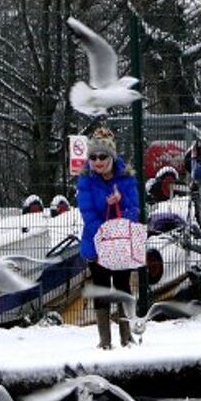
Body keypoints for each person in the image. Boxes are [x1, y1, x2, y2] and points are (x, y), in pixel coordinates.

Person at [76, 126, 140, 349]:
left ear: (112, 156)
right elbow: (87, 213)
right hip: (97, 242)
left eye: (103, 156)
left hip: (121, 242)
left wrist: (120, 202)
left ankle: (126, 336)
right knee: (102, 286)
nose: (97, 161)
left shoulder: (127, 179)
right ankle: (104, 340)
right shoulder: (85, 180)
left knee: (122, 285)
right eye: (93, 157)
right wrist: (104, 226)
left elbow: (134, 210)